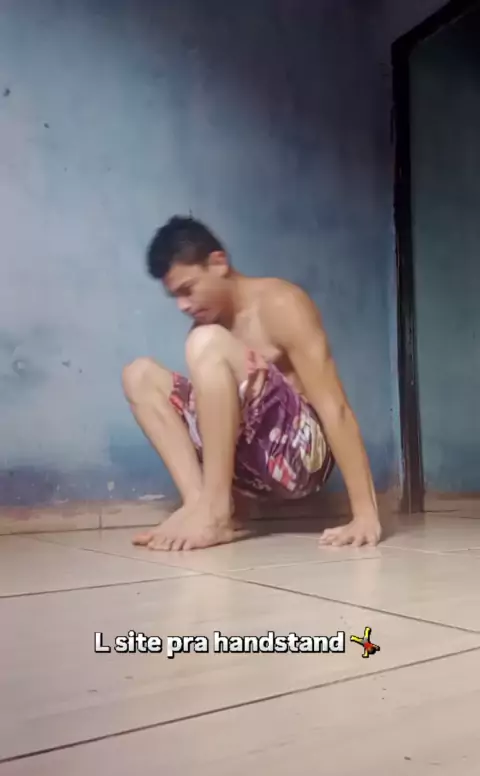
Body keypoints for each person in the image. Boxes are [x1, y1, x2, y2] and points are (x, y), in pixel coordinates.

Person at [122, 216, 382, 552]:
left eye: (188, 289)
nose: (183, 305)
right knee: (139, 375)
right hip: (249, 472)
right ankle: (200, 505)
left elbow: (335, 407)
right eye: (175, 297)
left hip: (302, 461)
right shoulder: (206, 327)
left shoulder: (280, 304)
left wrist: (365, 514)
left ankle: (215, 513)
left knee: (206, 341)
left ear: (218, 263)